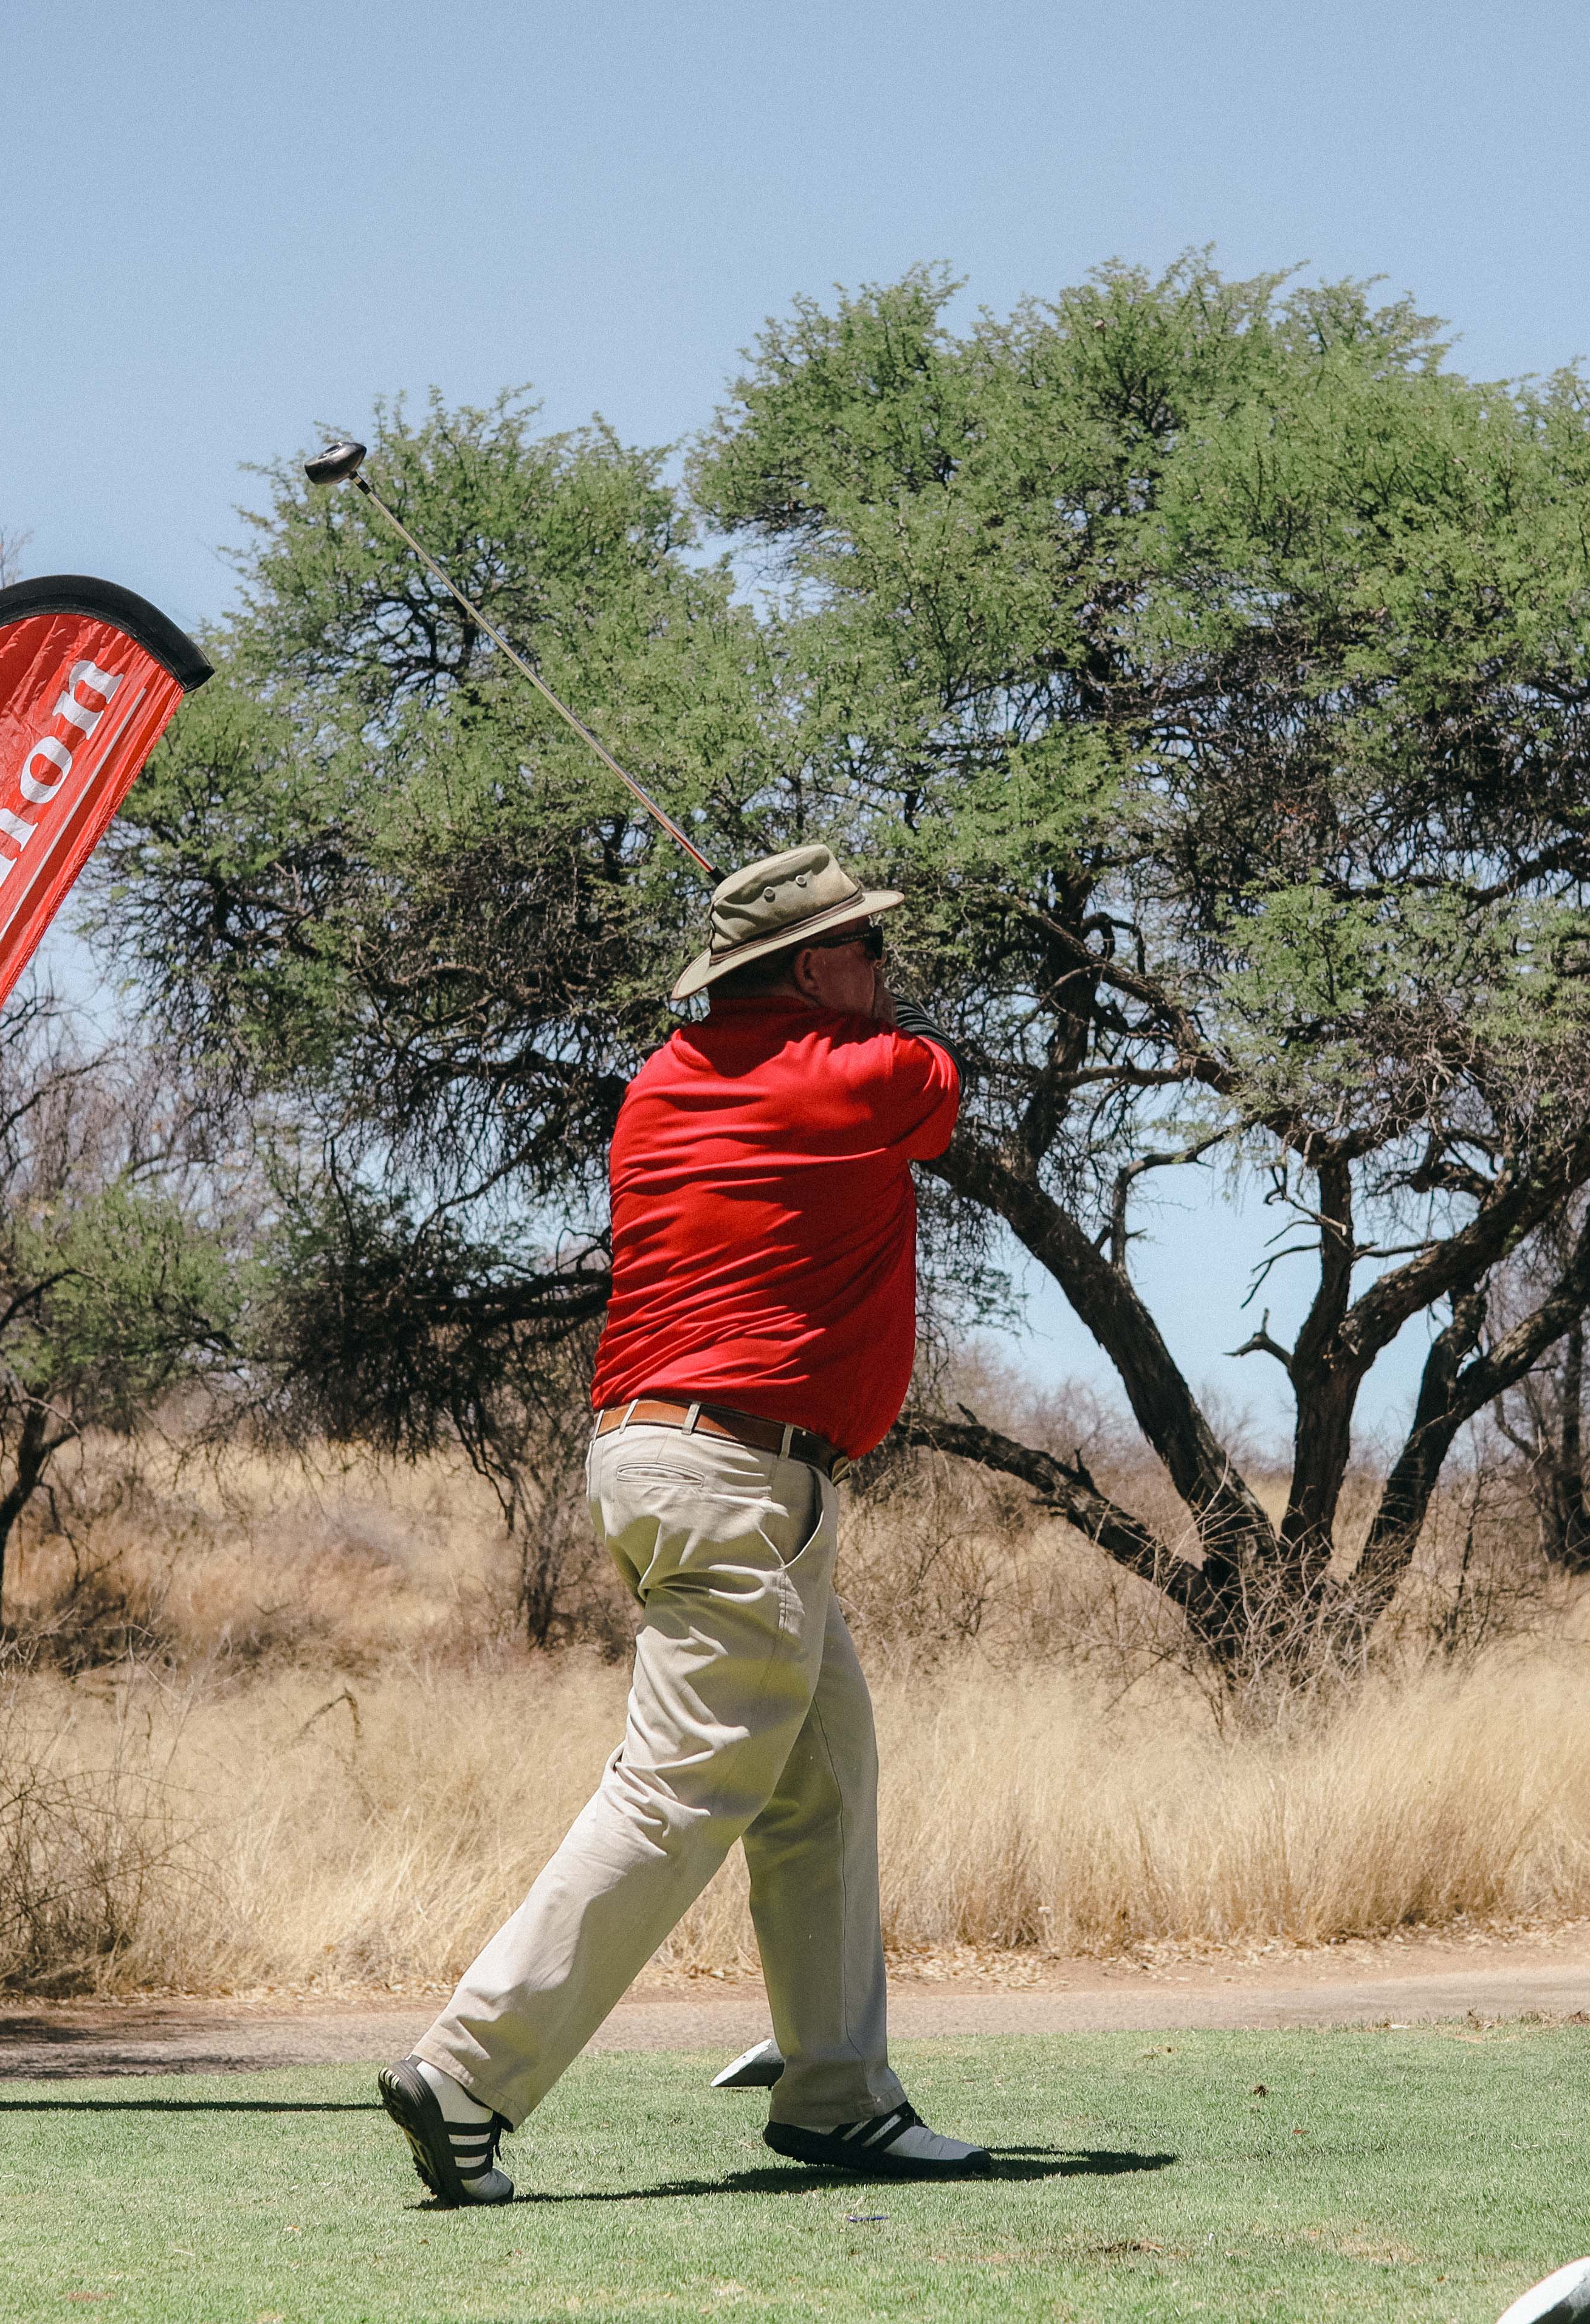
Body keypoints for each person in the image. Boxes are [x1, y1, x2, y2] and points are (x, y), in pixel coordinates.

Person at [379, 844, 993, 2206]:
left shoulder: (660, 1083)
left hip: (657, 1459)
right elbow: (938, 1090)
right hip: (740, 1476)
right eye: (869, 948)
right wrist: (861, 1016)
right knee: (678, 1788)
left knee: (824, 1775)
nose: (887, 968)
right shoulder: (865, 1072)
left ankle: (840, 2094)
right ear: (813, 968)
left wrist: (812, 995)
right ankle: (468, 2070)